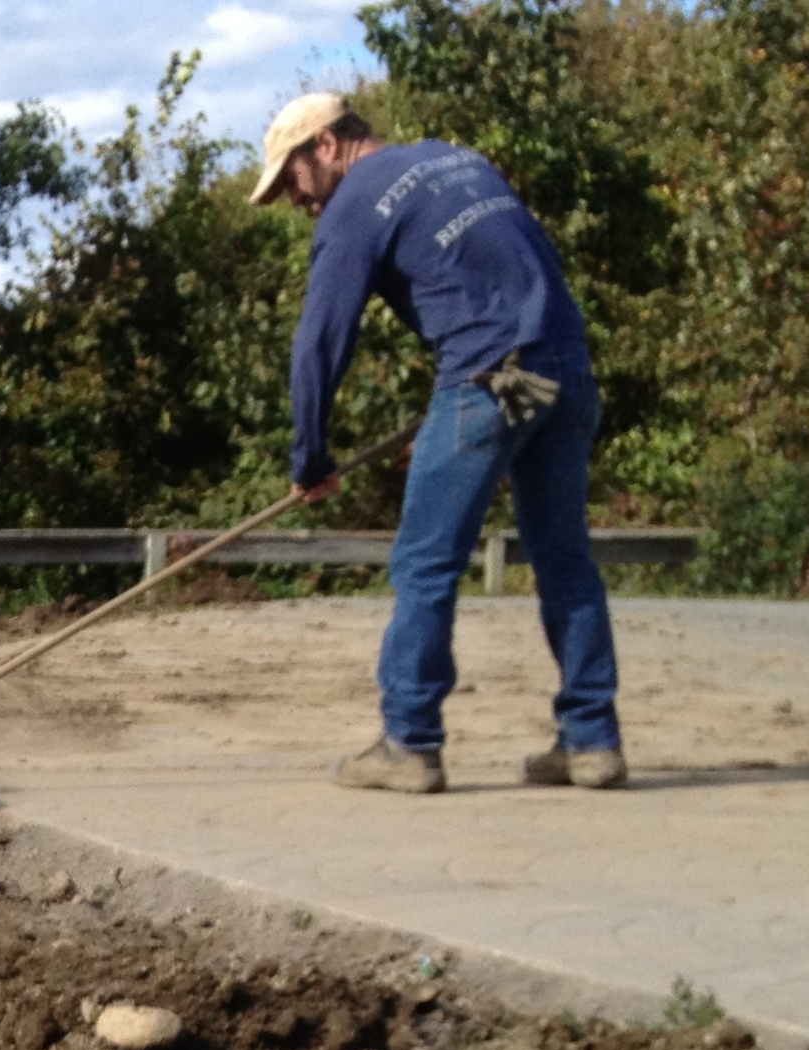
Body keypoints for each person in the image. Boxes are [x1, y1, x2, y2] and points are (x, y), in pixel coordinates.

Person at [252, 93, 625, 792]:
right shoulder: (457, 159)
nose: (295, 200)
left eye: (291, 179)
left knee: (424, 563)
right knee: (565, 558)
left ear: (327, 147)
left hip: (487, 384)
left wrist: (311, 458)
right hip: (565, 374)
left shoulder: (354, 204)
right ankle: (592, 741)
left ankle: (410, 744)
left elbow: (320, 344)